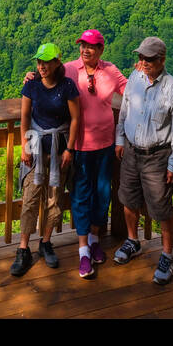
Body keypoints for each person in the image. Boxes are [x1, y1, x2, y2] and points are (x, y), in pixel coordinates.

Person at [113, 36, 173, 285]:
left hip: (158, 156)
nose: (143, 62)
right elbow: (124, 109)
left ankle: (167, 255)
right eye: (141, 57)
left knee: (162, 208)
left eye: (149, 59)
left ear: (161, 60)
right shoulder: (134, 78)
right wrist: (120, 139)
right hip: (132, 151)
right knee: (128, 199)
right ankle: (133, 240)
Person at [10, 42, 81, 277]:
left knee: (54, 199)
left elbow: (75, 119)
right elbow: (24, 118)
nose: (41, 66)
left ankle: (46, 241)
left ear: (57, 63)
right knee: (30, 197)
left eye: (46, 62)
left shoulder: (67, 86)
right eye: (39, 62)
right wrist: (24, 146)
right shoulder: (31, 86)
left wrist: (69, 149)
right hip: (35, 149)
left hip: (58, 150)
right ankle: (23, 248)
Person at [64, 29, 127, 279]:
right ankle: (83, 252)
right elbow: (46, 78)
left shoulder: (110, 71)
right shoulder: (69, 69)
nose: (85, 50)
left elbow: (131, 91)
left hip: (105, 145)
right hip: (79, 146)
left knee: (102, 195)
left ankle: (94, 239)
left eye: (90, 46)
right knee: (81, 196)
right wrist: (32, 77)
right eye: (82, 45)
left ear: (101, 49)